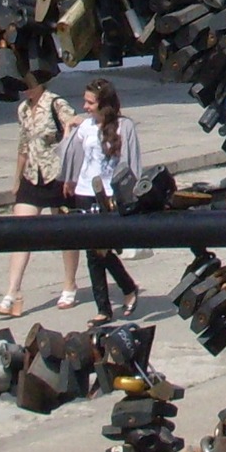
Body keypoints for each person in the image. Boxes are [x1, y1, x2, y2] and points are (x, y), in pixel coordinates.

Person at [0, 63, 80, 317]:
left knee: (65, 233)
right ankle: (12, 292)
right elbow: (23, 145)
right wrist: (16, 179)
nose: (26, 90)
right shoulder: (23, 109)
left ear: (41, 83)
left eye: (30, 85)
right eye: (23, 86)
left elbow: (76, 129)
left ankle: (69, 285)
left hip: (58, 175)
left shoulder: (56, 103)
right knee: (21, 233)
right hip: (32, 175)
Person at [59, 76, 144, 316]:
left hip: (109, 194)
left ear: (104, 104)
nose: (85, 107)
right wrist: (68, 131)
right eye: (85, 101)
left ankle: (123, 292)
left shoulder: (124, 126)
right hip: (84, 192)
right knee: (93, 251)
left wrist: (131, 194)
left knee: (102, 249)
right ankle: (106, 307)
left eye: (90, 103)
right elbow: (69, 156)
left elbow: (132, 163)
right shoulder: (85, 126)